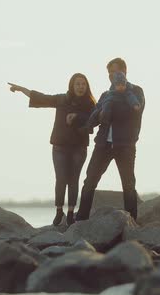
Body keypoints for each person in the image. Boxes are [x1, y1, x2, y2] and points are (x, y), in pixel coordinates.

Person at [8, 73, 96, 226]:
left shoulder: (90, 104)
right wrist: (22, 89)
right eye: (78, 84)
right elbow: (42, 98)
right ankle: (59, 211)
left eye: (83, 84)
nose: (81, 87)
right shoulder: (62, 99)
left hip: (79, 147)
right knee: (61, 179)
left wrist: (77, 117)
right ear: (72, 85)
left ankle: (70, 213)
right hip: (60, 146)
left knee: (73, 180)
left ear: (86, 86)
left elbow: (94, 120)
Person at [75, 58, 145, 221]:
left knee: (128, 186)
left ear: (124, 72)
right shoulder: (105, 95)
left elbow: (133, 112)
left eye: (114, 72)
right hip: (103, 144)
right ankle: (81, 220)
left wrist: (109, 109)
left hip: (125, 145)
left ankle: (131, 222)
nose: (111, 76)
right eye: (109, 73)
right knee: (89, 181)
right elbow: (96, 115)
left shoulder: (136, 92)